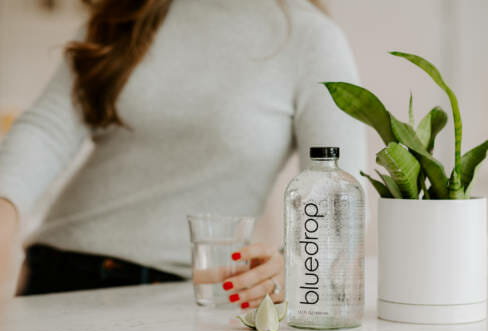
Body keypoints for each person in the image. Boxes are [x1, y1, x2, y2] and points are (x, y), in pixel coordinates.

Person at [0, 0, 366, 308]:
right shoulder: (126, 15)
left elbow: (342, 192)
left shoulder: (310, 38)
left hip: (186, 296)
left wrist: (294, 267)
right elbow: (45, 130)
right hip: (57, 273)